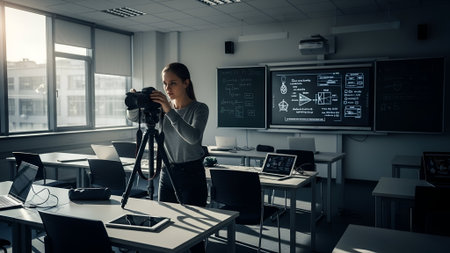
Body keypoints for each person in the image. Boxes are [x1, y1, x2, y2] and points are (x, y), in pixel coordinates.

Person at [127, 62, 209, 253]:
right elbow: (133, 118)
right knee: (168, 226)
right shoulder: (162, 108)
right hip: (167, 174)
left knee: (195, 233)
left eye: (173, 83)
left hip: (192, 174)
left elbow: (193, 137)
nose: (167, 88)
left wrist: (168, 109)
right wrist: (134, 101)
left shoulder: (199, 109)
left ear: (186, 83)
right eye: (164, 84)